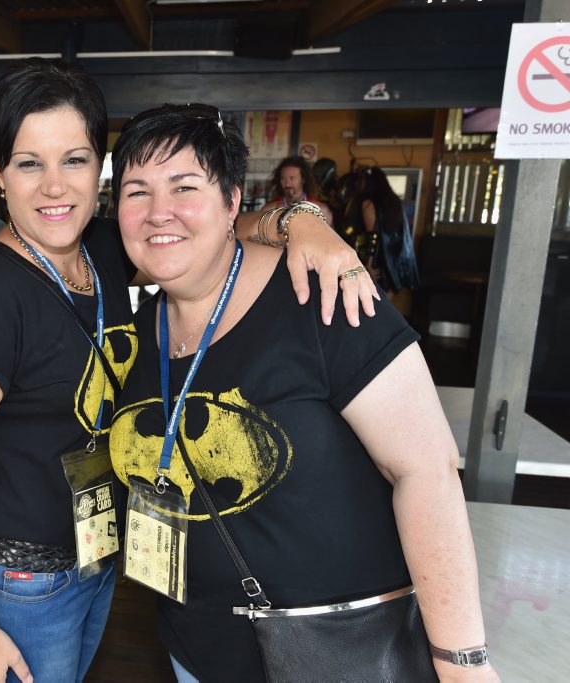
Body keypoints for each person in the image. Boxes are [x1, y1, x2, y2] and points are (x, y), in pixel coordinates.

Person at [0, 58, 376, 683]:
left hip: (97, 556)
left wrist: (302, 222)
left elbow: (217, 224)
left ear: (99, 167)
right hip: (21, 584)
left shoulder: (101, 245)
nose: (54, 187)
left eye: (73, 160)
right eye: (27, 163)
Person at [108, 103, 497, 682]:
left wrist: (461, 662)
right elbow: (30, 227)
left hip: (335, 652)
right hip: (194, 650)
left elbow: (427, 472)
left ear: (231, 199)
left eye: (184, 186)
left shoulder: (323, 299)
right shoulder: (135, 332)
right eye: (136, 191)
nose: (158, 212)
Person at [355, 165, 420, 294]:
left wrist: (368, 264)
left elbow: (372, 235)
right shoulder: (395, 201)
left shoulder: (368, 203)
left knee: (370, 301)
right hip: (394, 261)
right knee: (385, 302)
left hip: (378, 260)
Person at [260, 155, 331, 223]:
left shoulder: (320, 210)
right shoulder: (269, 210)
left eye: (292, 178)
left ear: (303, 179)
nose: (287, 184)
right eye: (283, 178)